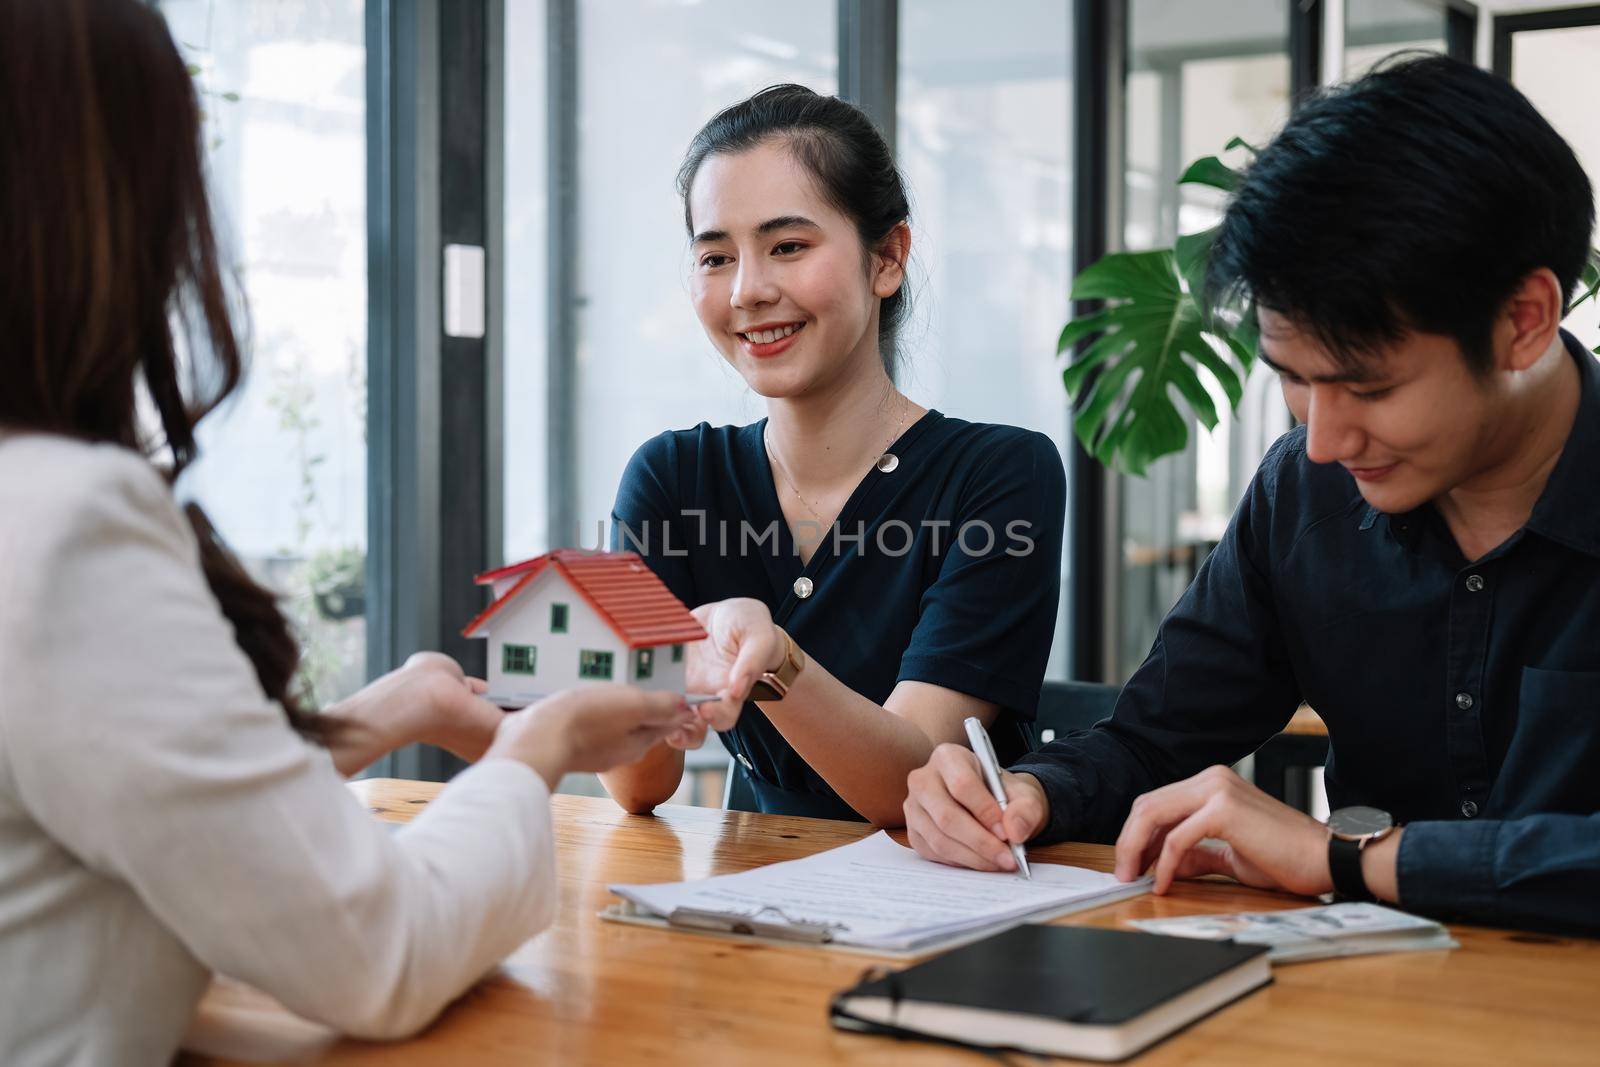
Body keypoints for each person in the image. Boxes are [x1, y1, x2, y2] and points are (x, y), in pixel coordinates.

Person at [0, 3, 696, 1064]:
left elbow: (121, 777)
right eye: (714, 252)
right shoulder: (63, 524)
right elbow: (376, 946)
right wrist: (536, 742)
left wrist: (381, 712)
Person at [903, 55, 1600, 935]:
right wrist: (1031, 793)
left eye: (1370, 387)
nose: (1325, 438)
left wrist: (1343, 858)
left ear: (1523, 320)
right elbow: (1157, 736)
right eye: (1293, 379)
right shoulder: (1302, 494)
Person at [601, 85, 1066, 824]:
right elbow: (638, 786)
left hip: (944, 902)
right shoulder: (670, 479)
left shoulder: (1000, 476)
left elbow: (912, 789)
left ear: (887, 258)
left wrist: (775, 660)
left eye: (787, 246)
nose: (748, 291)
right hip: (743, 911)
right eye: (716, 256)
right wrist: (631, 667)